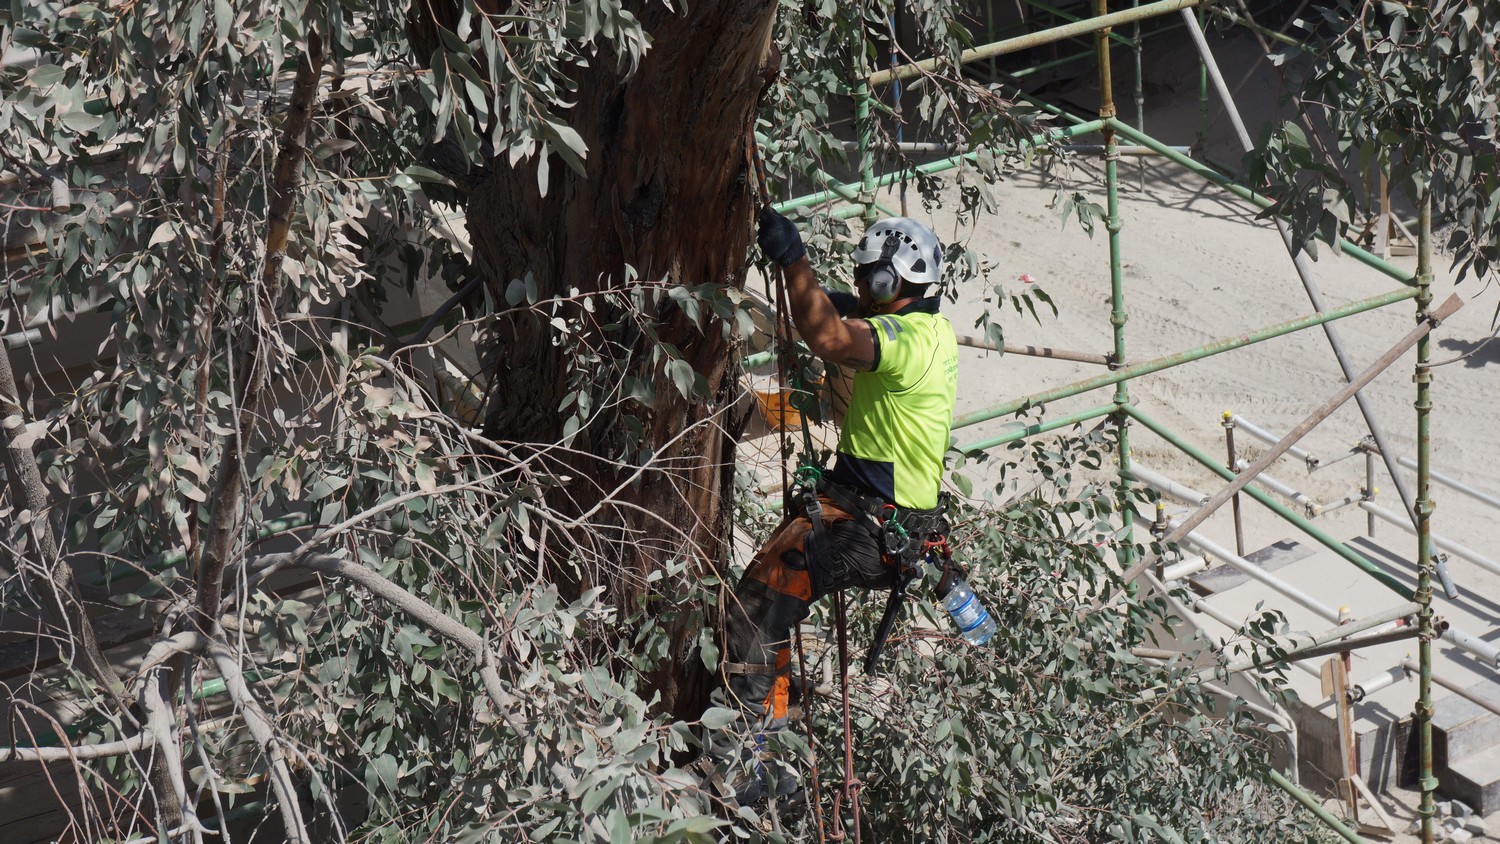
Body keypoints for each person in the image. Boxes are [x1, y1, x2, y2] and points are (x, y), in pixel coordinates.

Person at [713, 208, 959, 804]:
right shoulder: (935, 331)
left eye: (867, 276)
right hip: (884, 520)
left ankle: (750, 768)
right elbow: (846, 316)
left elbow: (829, 337)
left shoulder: (898, 341)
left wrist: (793, 258)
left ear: (887, 284)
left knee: (753, 610)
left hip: (866, 525)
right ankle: (771, 727)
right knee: (770, 608)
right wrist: (824, 293)